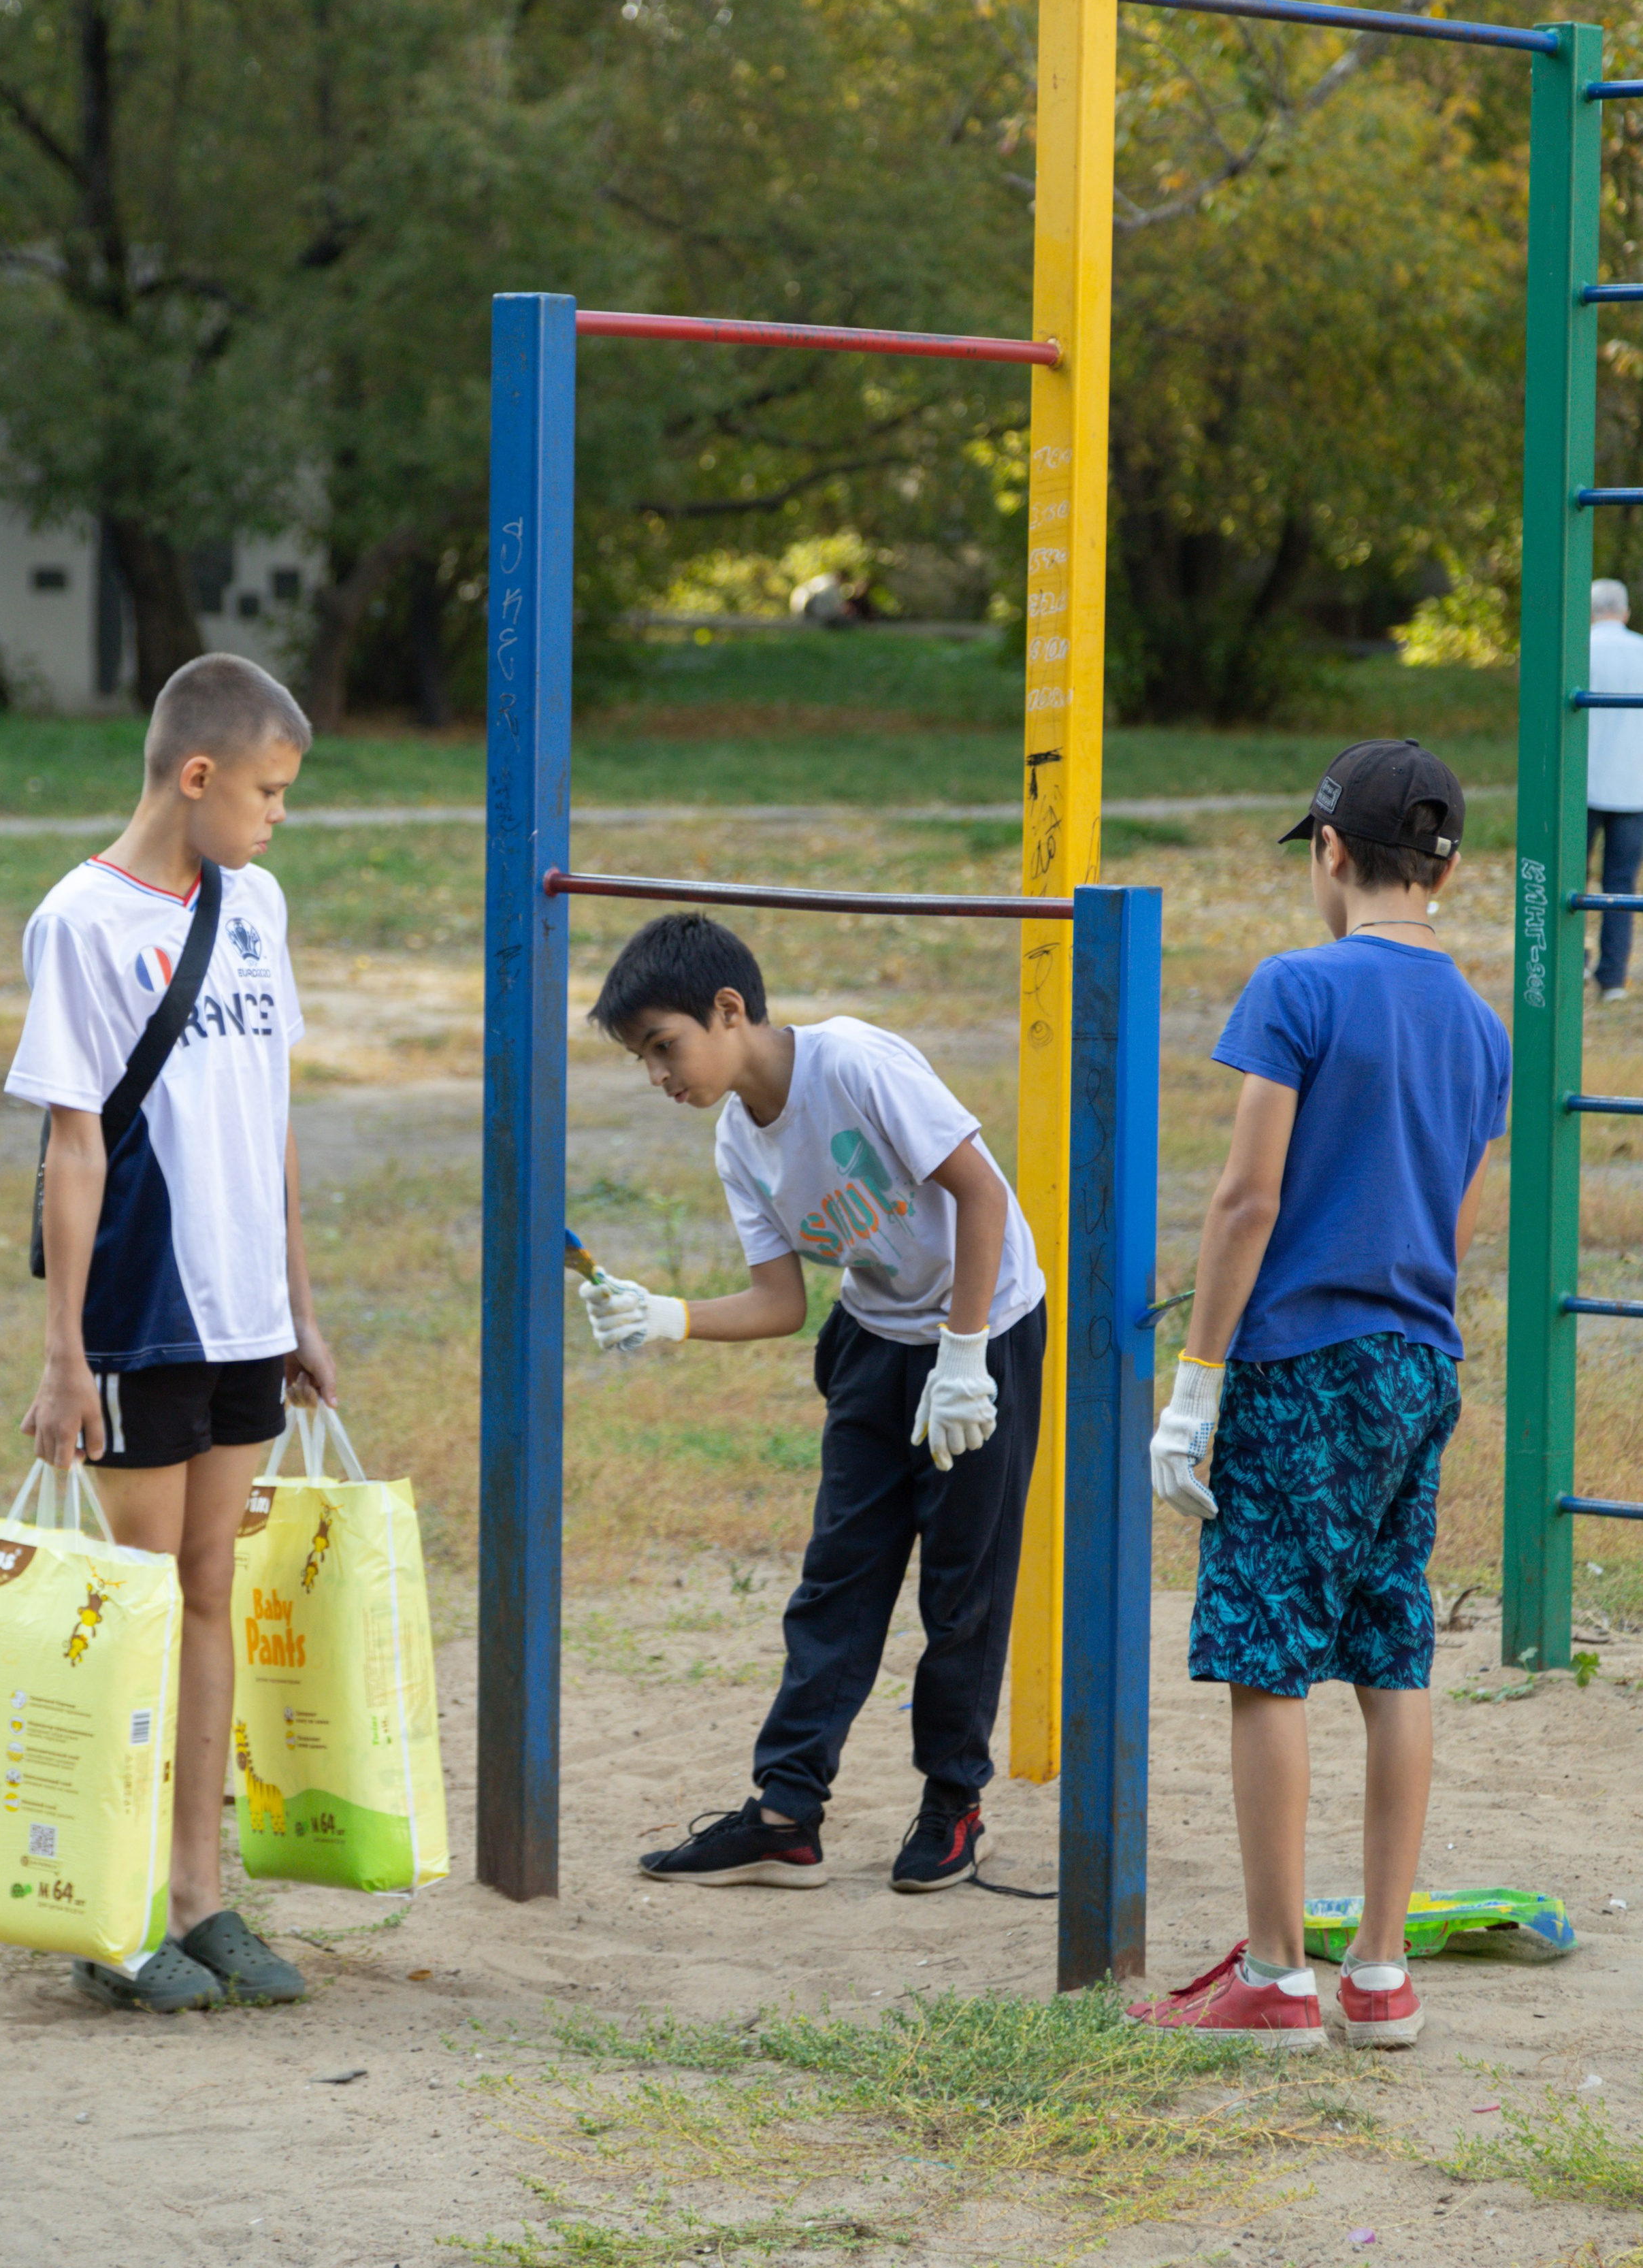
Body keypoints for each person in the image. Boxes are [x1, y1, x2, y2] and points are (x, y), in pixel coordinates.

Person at [1132, 739, 1509, 2050]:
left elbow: (1247, 1199)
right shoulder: (1484, 1028)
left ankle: (1278, 1975)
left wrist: (1196, 1382)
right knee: (1391, 1651)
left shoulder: (1298, 986)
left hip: (1302, 1364)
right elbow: (1459, 1224)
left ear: (1332, 851)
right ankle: (1383, 1976)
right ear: (1445, 866)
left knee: (1267, 1658)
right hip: (1420, 1363)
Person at [576, 911, 1045, 1892]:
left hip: (985, 1322)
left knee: (962, 1583)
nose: (657, 1075)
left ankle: (953, 1807)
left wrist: (965, 1356)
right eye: (641, 1059)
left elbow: (983, 1195)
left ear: (729, 1008)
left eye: (663, 1045)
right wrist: (666, 1315)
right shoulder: (737, 1142)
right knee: (838, 1576)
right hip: (874, 1336)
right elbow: (781, 1303)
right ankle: (786, 1814)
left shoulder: (855, 1063)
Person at [5, 652, 336, 2013]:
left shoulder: (257, 904)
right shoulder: (80, 921)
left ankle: (199, 1899)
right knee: (136, 1606)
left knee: (212, 1593)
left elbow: (274, 1114)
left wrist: (299, 1306)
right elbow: (74, 1143)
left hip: (250, 1318)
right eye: (268, 792)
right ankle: (114, 1904)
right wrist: (66, 1353)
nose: (277, 818)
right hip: (143, 1314)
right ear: (197, 775)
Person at [1586, 579, 1643, 1001]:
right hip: (1633, 785)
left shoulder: (1578, 649)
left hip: (1582, 785)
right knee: (1621, 884)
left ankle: (1569, 961)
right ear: (1625, 612)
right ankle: (1612, 980)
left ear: (1589, 612)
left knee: (1569, 879)